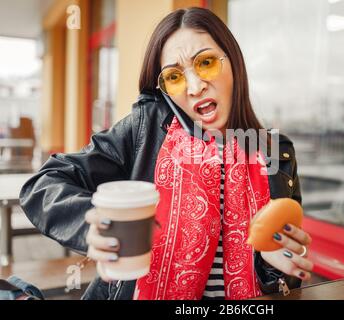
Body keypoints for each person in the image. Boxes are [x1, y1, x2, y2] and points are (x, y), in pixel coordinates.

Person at [19, 7, 313, 300]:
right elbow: (43, 184)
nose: (196, 86)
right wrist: (91, 224)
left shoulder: (277, 153)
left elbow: (281, 272)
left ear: (233, 62)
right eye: (175, 76)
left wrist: (277, 265)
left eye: (207, 62)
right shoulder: (144, 130)